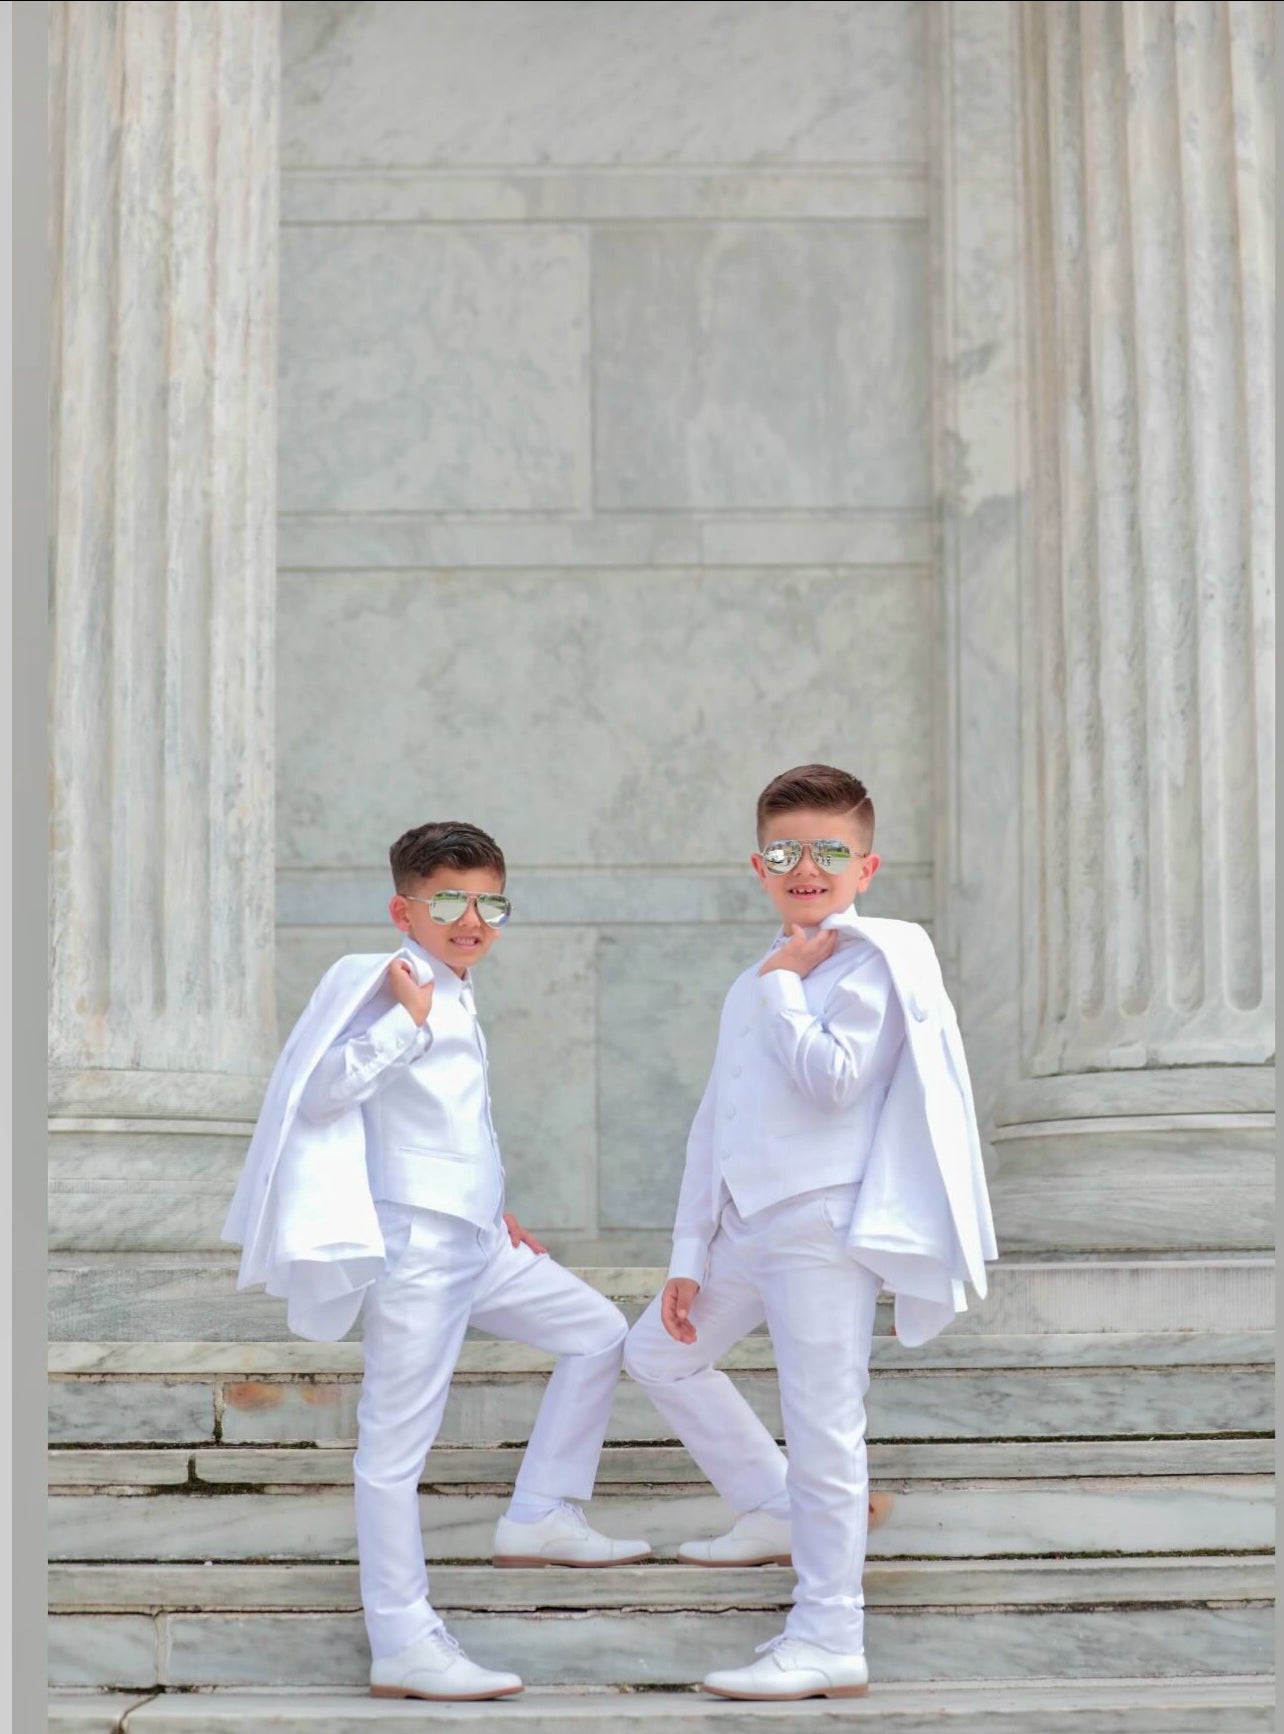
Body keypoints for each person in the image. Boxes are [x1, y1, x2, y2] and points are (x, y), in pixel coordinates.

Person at [223, 821, 649, 1704]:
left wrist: (491, 1205)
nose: (473, 919)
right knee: (392, 1450)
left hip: (478, 1240)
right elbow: (321, 1094)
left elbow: (445, 1121)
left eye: (490, 902)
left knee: (598, 1330)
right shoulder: (387, 982)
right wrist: (404, 1026)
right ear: (404, 910)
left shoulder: (455, 987)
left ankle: (539, 1513)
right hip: (416, 1246)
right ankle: (405, 1641)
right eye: (450, 900)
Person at [623, 764, 996, 1702]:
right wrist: (688, 1252)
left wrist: (788, 988)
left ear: (866, 868)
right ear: (759, 865)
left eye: (830, 850)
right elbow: (714, 1122)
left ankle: (830, 1635)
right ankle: (772, 1505)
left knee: (827, 1427)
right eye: (786, 851)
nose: (807, 867)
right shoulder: (755, 979)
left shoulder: (874, 960)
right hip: (745, 1229)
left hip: (824, 1225)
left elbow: (833, 1081)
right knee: (656, 1355)